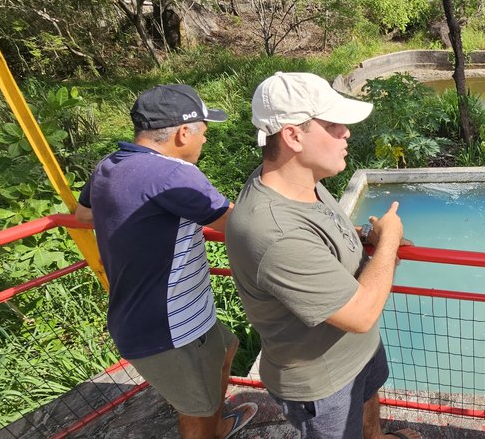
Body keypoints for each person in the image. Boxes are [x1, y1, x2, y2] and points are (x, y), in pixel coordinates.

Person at [225, 72, 420, 439]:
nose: (346, 132)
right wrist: (389, 239)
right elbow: (361, 314)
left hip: (357, 354)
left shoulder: (303, 182)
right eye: (332, 125)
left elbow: (323, 236)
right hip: (323, 383)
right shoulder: (273, 231)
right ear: (293, 135)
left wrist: (366, 235)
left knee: (368, 409)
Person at [75, 84, 257, 439]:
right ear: (183, 133)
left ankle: (217, 427)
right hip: (170, 328)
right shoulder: (174, 175)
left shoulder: (110, 165)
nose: (205, 141)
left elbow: (83, 214)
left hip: (162, 314)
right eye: (203, 133)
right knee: (196, 413)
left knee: (228, 347)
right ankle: (210, 429)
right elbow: (245, 224)